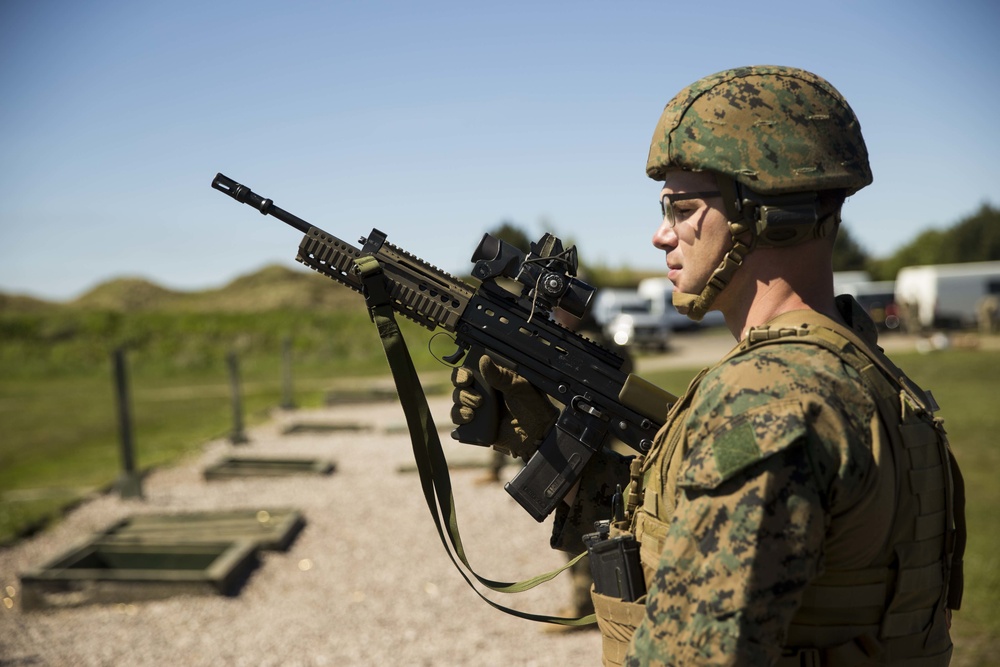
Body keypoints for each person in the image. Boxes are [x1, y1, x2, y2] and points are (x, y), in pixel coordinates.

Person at [452, 65, 965, 666]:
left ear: (770, 213)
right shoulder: (866, 375)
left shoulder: (765, 399)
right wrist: (554, 442)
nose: (661, 235)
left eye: (683, 206)